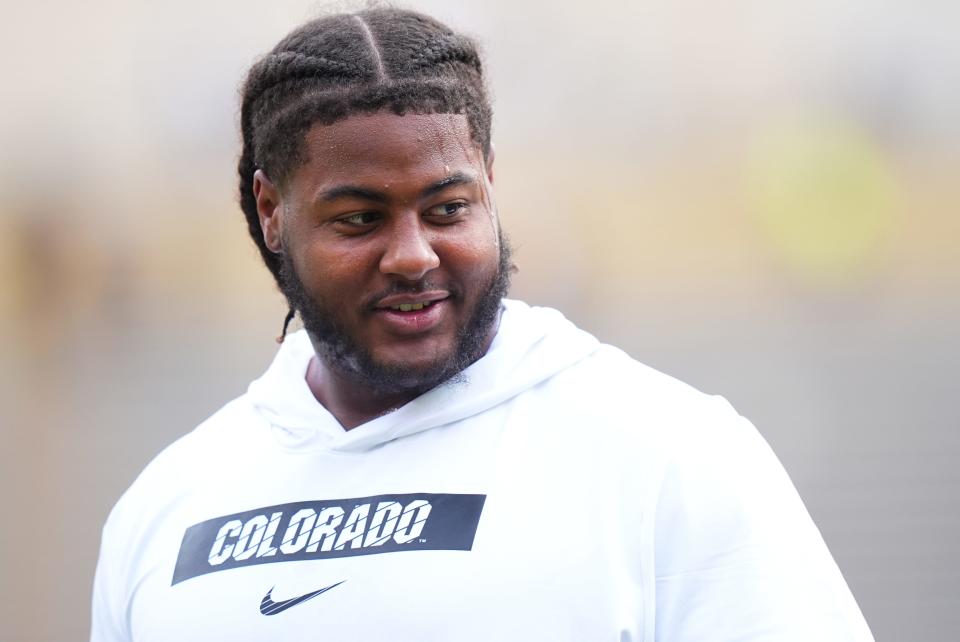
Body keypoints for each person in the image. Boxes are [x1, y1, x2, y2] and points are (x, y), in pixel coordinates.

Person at [91, 7, 874, 641]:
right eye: (360, 219)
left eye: (448, 209)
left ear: (491, 186)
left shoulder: (672, 459)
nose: (412, 254)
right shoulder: (169, 508)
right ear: (271, 211)